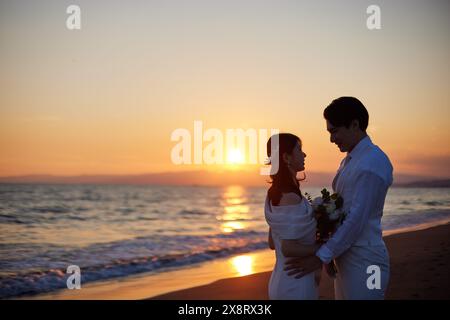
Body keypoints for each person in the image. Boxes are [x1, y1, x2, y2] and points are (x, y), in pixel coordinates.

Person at [284, 97, 393, 299]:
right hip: (346, 257)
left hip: (368, 261)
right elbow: (342, 211)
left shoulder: (372, 162)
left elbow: (356, 220)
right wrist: (330, 255)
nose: (332, 139)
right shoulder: (349, 161)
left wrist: (321, 256)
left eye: (334, 131)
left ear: (354, 125)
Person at [264, 133, 319, 300]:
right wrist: (326, 248)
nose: (304, 154)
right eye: (299, 150)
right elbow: (288, 248)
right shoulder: (290, 197)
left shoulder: (276, 193)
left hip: (284, 278)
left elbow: (273, 242)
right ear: (286, 157)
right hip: (295, 282)